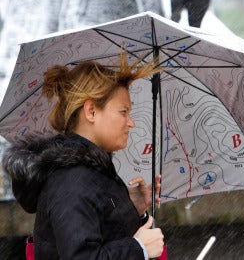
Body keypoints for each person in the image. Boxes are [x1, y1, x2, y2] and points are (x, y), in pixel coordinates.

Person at [2, 55, 164, 259]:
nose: (130, 123)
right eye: (124, 112)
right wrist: (138, 248)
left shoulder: (92, 172)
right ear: (91, 111)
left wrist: (131, 209)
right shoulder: (71, 181)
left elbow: (105, 238)